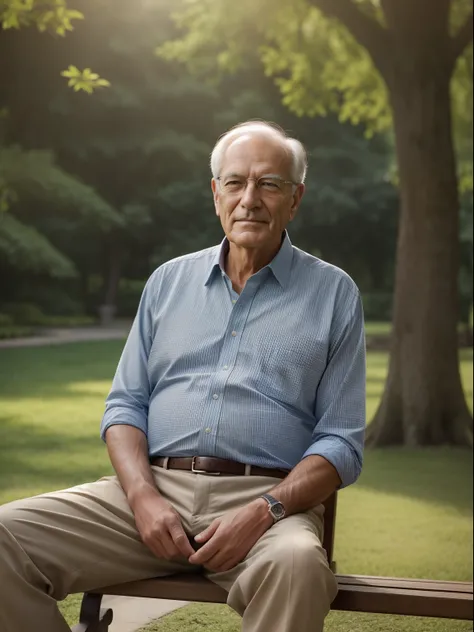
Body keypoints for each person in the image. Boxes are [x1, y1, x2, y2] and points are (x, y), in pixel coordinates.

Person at [0, 120, 366, 632]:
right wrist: (144, 498)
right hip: (147, 496)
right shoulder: (168, 282)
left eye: (269, 184)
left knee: (299, 565)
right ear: (216, 194)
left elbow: (341, 443)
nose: (249, 199)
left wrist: (263, 510)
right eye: (235, 183)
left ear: (295, 199)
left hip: (265, 507)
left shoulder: (334, 294)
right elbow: (125, 407)